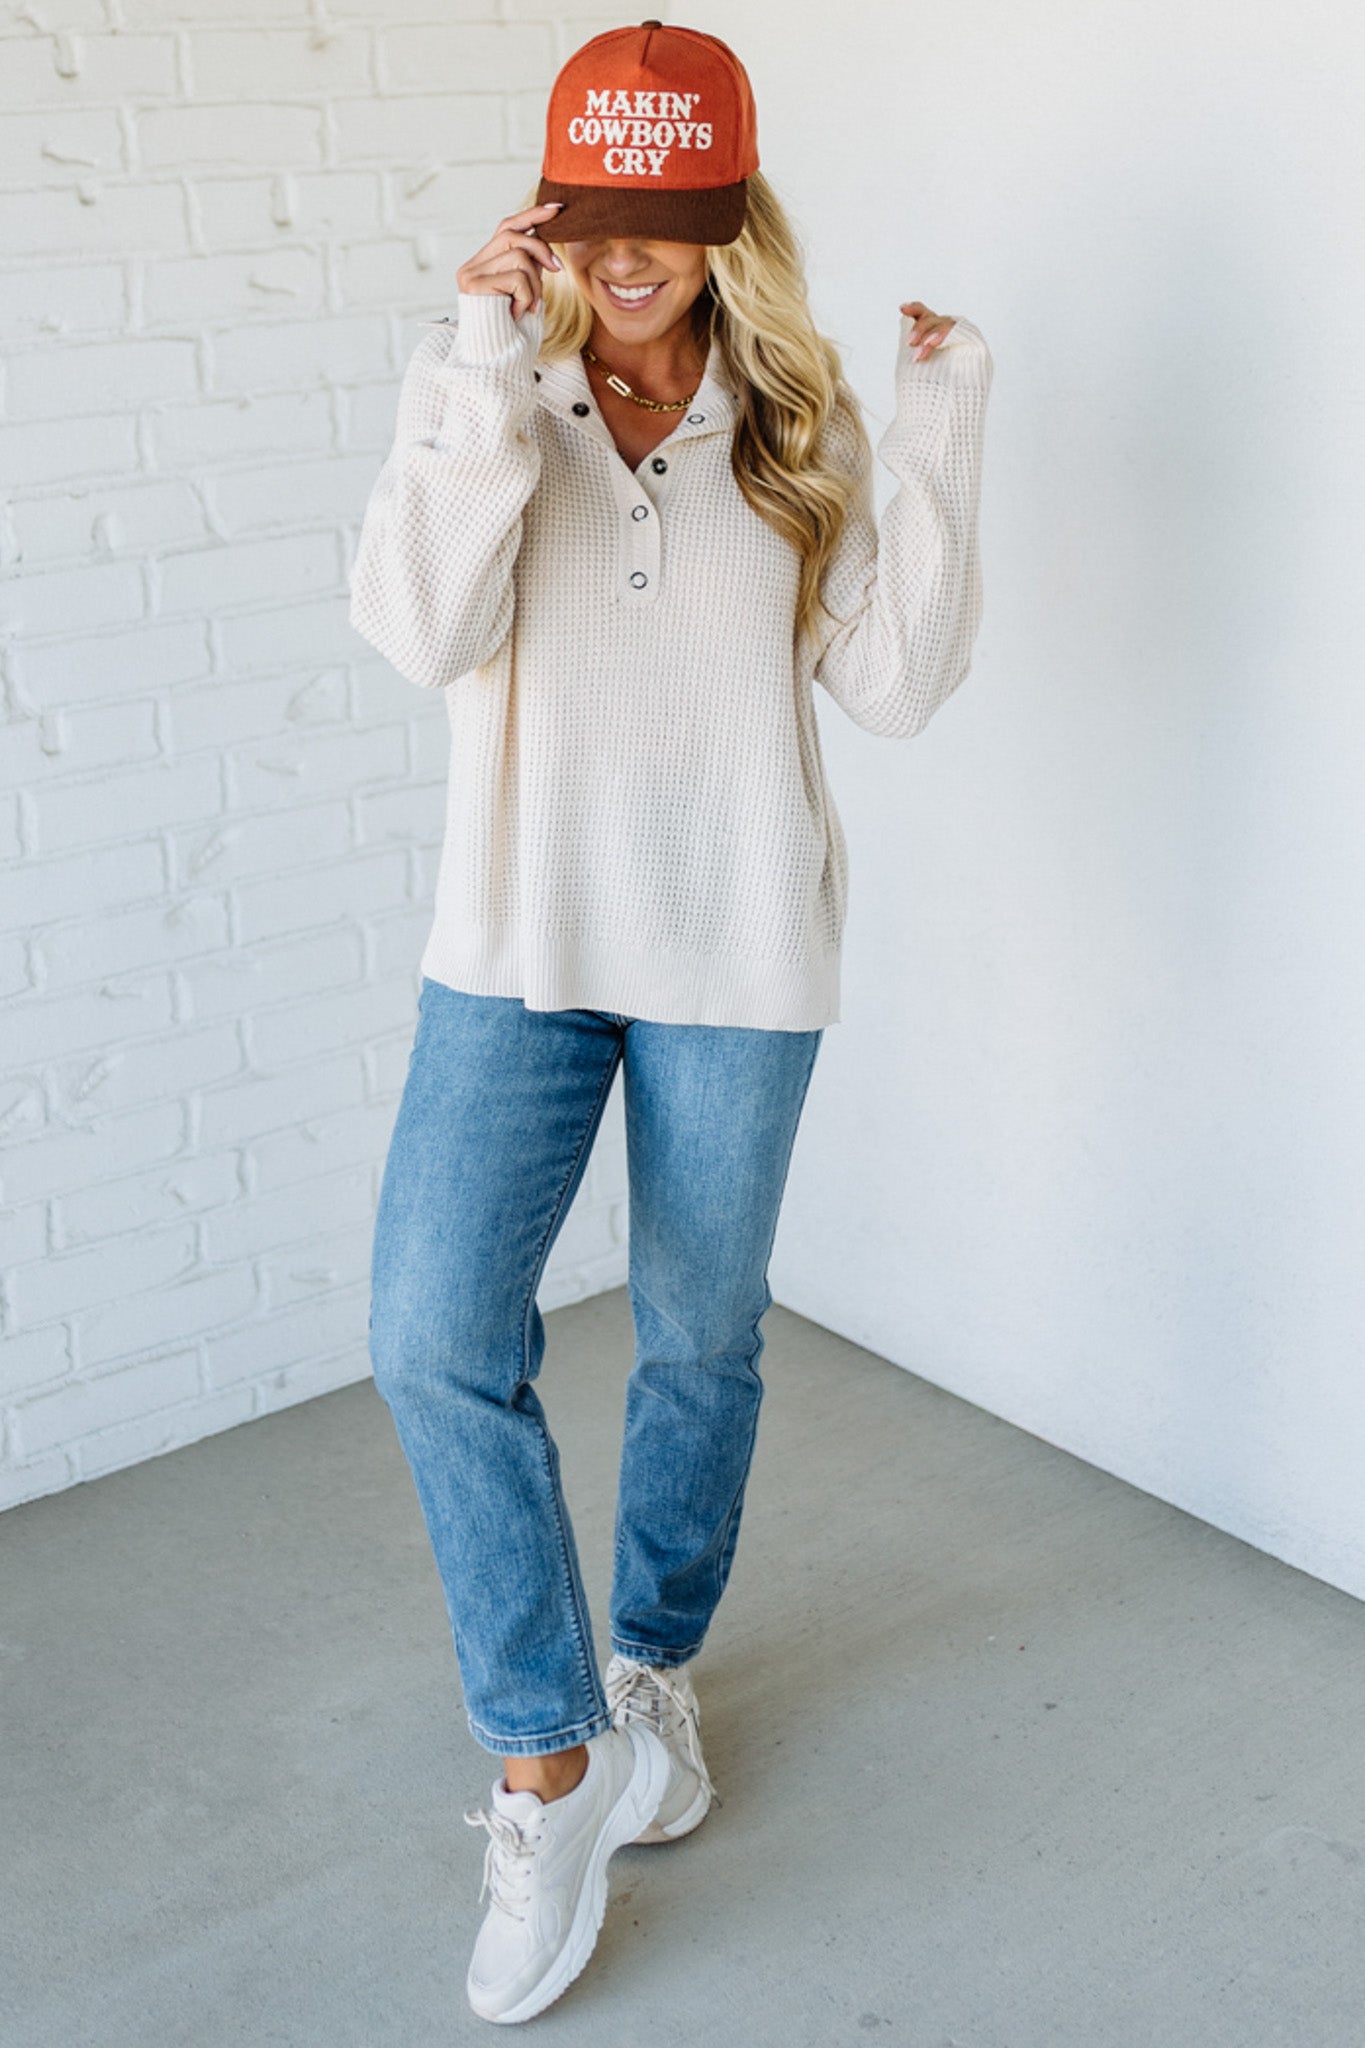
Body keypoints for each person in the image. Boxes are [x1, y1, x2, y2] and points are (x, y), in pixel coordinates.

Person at [348, 17, 993, 2027]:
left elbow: (889, 690)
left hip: (733, 962)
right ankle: (550, 1756)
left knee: (702, 1341)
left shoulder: (791, 435)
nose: (634, 257)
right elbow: (409, 627)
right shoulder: (492, 404)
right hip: (513, 952)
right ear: (556, 215)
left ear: (728, 224)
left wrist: (937, 416)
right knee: (433, 1334)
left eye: (673, 222)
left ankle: (647, 1673)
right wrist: (468, 360)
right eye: (603, 219)